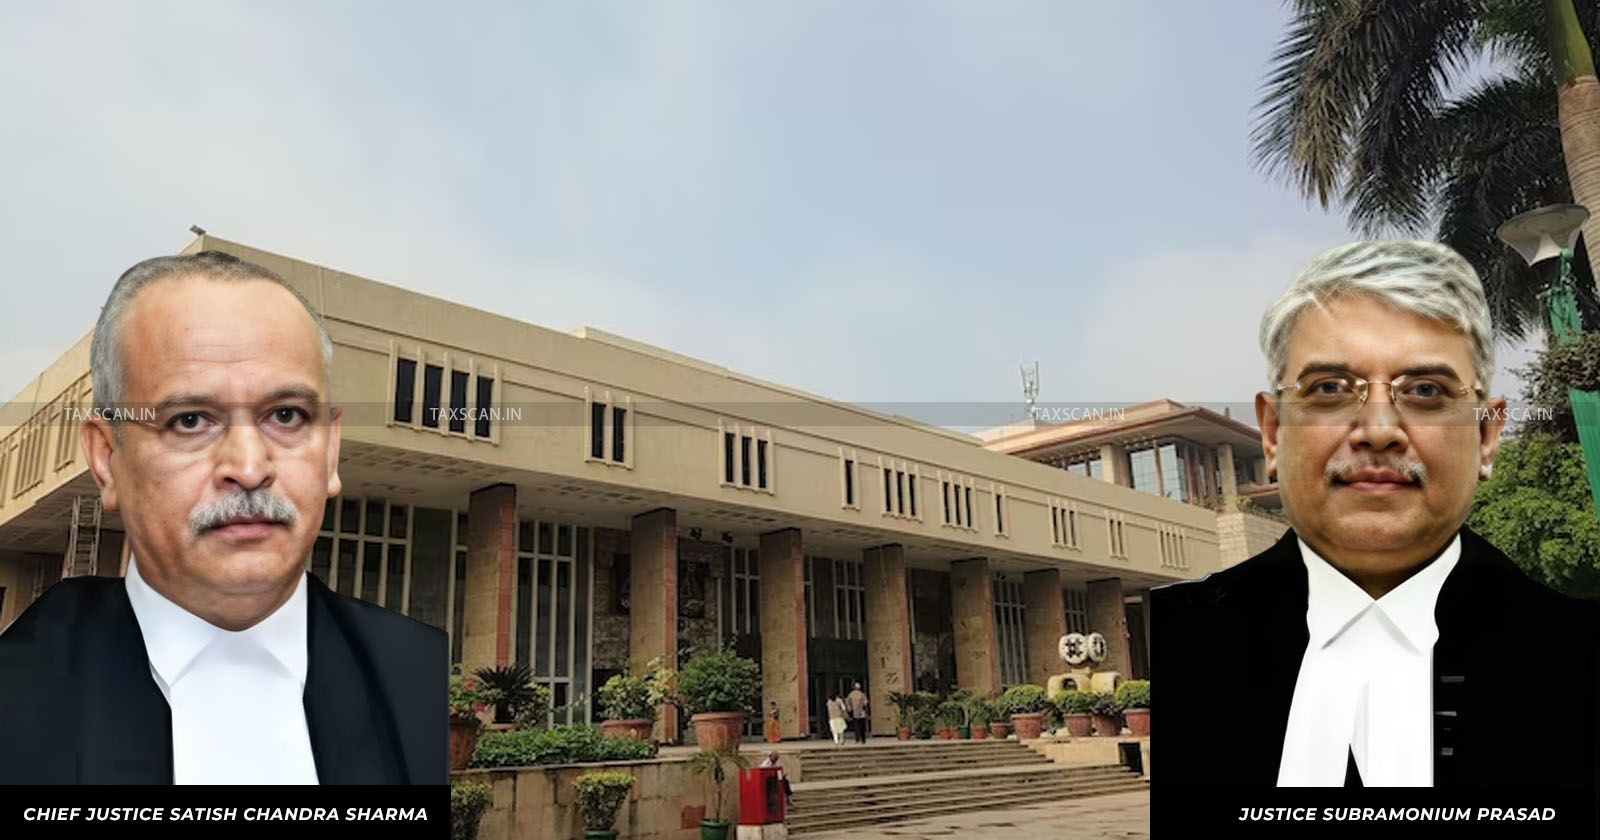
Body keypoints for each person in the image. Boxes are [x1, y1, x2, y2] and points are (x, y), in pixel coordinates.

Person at [1155, 240, 1600, 791]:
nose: (1379, 430)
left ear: (1486, 436)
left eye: (1426, 390)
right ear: (1272, 433)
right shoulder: (1177, 644)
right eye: (1330, 389)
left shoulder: (1579, 654)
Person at [0, 251, 446, 784]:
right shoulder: (19, 695)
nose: (250, 468)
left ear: (330, 452)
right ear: (106, 458)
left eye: (286, 415)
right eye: (190, 420)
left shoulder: (415, 675)